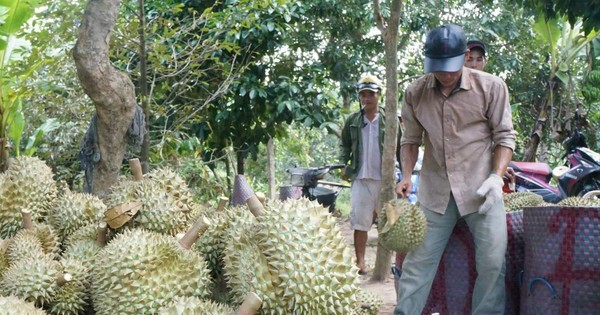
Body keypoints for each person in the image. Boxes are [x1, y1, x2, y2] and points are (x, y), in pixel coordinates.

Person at [394, 24, 516, 314]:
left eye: (451, 67)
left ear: (465, 56)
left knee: (493, 262)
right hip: (436, 192)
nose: (446, 75)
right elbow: (410, 139)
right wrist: (407, 175)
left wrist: (495, 179)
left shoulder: (491, 87)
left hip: (481, 191)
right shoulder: (415, 92)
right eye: (439, 68)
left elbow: (505, 137)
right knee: (417, 265)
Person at [339, 74, 398, 275]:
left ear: (379, 95)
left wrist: (402, 174)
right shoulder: (353, 120)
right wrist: (342, 165)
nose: (366, 99)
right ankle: (361, 262)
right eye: (363, 95)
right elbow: (345, 144)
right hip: (361, 177)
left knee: (390, 222)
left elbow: (401, 146)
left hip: (385, 179)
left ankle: (387, 263)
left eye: (370, 95)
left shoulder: (390, 119)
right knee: (360, 222)